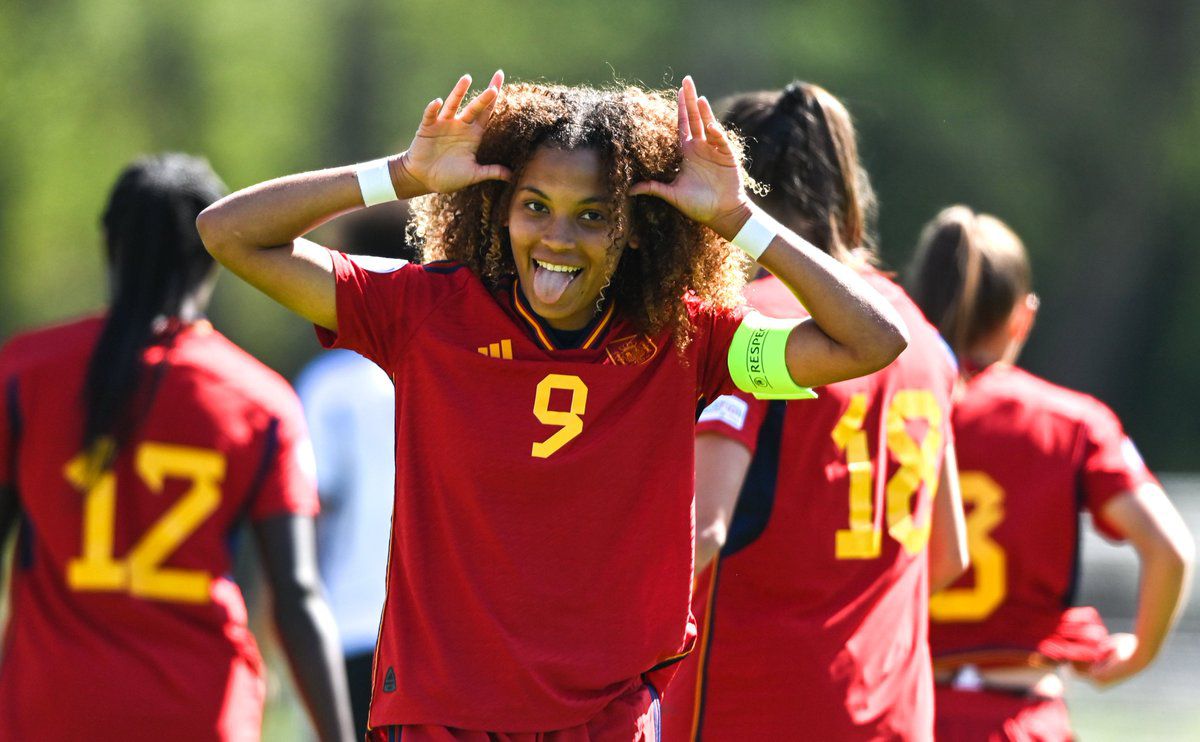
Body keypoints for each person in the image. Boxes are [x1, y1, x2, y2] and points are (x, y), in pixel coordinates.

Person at [196, 70, 910, 740]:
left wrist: (736, 215)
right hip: (444, 712)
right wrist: (401, 176)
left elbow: (869, 341)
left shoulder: (687, 339)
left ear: (632, 227)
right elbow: (228, 232)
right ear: (501, 211)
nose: (558, 237)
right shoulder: (423, 312)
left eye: (592, 215)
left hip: (603, 716)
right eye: (536, 207)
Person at [0, 154, 355, 742]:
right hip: (199, 711)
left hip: (50, 710)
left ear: (109, 244)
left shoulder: (26, 373)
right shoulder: (259, 400)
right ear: (213, 255)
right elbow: (295, 595)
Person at [660, 82, 969, 741]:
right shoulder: (919, 337)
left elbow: (702, 534)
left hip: (755, 707)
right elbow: (948, 556)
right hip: (894, 715)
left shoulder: (754, 329)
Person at [907, 206, 1194, 741]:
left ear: (914, 305)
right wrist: (1138, 654)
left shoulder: (881, 406)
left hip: (901, 708)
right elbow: (1170, 550)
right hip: (1016, 717)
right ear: (1023, 316)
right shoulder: (1070, 421)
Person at [295, 201, 415, 739]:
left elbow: (309, 512)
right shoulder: (448, 369)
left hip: (344, 621)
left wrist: (283, 614)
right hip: (430, 630)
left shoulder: (331, 383)